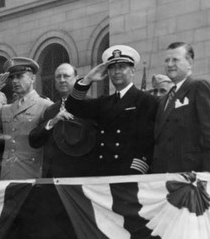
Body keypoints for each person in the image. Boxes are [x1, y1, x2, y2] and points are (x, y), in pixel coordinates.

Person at [64, 45, 158, 176]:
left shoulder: (146, 100)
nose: (116, 72)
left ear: (132, 71)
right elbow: (72, 106)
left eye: (122, 67)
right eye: (112, 68)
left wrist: (137, 169)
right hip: (103, 171)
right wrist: (88, 79)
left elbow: (148, 141)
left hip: (129, 172)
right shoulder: (104, 102)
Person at [0, 57, 52, 180]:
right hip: (7, 175)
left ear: (33, 78)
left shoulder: (45, 106)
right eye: (12, 77)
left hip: (32, 175)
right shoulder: (7, 109)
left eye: (19, 76)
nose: (14, 81)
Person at [152, 41, 210, 174]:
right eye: (167, 60)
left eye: (175, 60)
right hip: (164, 178)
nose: (169, 64)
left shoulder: (199, 87)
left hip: (191, 177)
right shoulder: (165, 99)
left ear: (190, 63)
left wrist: (209, 175)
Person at [29, 63, 97, 177]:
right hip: (53, 177)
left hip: (81, 175)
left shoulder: (90, 105)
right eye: (58, 77)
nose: (62, 80)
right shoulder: (51, 110)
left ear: (76, 78)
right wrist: (52, 122)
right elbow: (34, 140)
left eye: (66, 76)